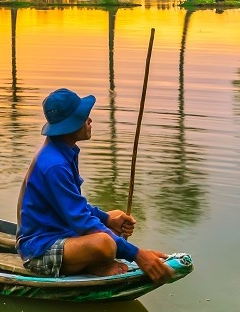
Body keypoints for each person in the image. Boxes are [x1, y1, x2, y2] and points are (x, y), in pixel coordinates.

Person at [16, 88, 175, 282]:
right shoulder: (55, 165)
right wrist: (138, 255)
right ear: (70, 126)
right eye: (84, 118)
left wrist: (107, 219)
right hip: (39, 251)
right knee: (104, 244)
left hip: (63, 234)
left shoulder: (64, 151)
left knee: (115, 217)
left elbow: (76, 208)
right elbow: (81, 221)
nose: (89, 121)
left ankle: (93, 263)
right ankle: (96, 264)